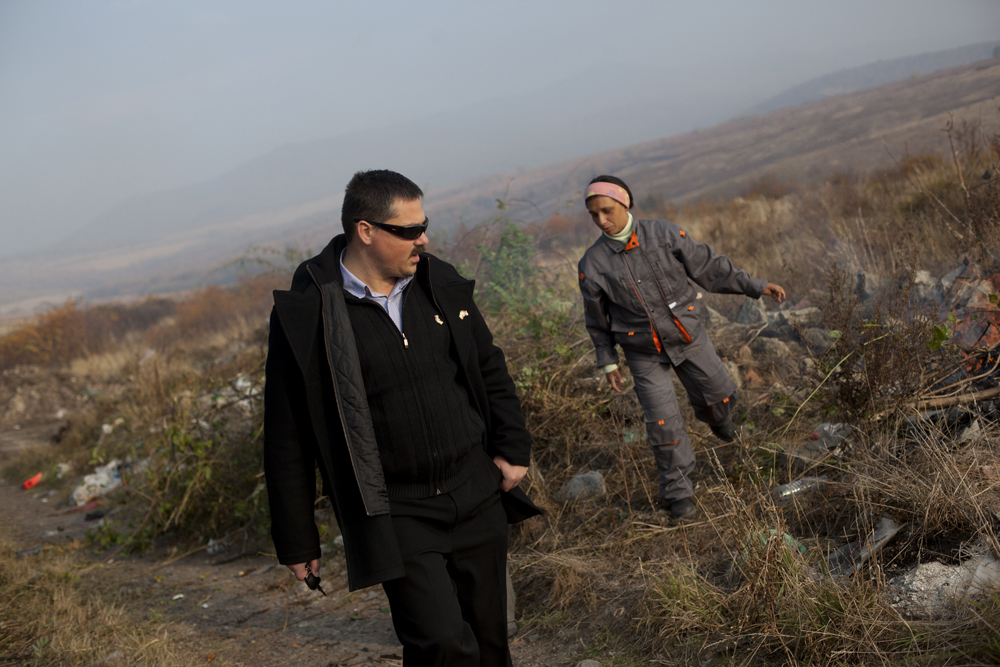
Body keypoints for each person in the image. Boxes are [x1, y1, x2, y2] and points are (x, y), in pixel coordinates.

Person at [264, 169, 540, 666]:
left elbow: (488, 365)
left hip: (476, 492)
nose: (423, 239)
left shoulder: (439, 283)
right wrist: (297, 536)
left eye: (424, 225)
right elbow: (287, 431)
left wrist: (512, 450)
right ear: (365, 231)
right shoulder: (309, 312)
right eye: (408, 230)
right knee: (440, 645)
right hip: (396, 511)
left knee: (490, 644)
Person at [577, 176, 785, 520]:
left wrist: (756, 286)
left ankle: (718, 418)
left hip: (687, 334)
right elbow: (596, 318)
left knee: (720, 393)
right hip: (642, 351)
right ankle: (679, 494)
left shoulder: (665, 234)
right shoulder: (593, 264)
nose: (601, 220)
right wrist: (608, 361)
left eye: (606, 210)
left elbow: (711, 268)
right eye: (593, 215)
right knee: (663, 423)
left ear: (625, 203)